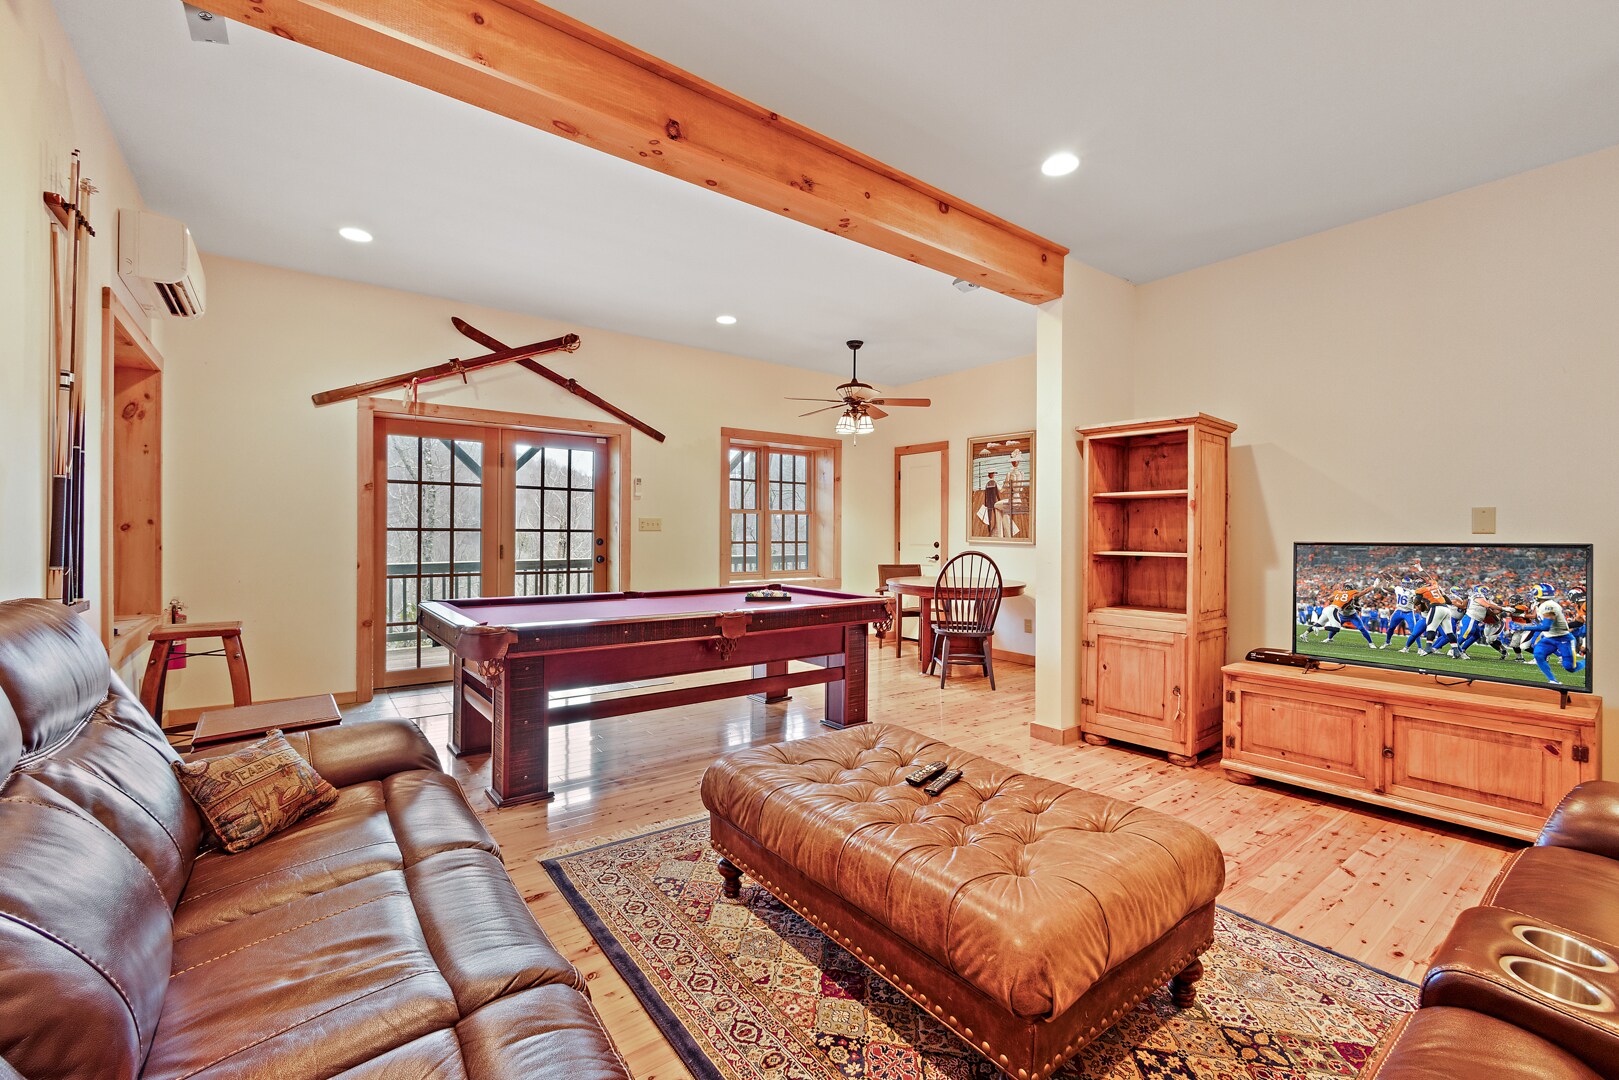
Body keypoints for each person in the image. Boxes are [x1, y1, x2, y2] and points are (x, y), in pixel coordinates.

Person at [981, 471, 1000, 536]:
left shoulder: (987, 484)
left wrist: (985, 502)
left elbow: (986, 494)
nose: (992, 475)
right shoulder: (994, 483)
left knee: (989, 517)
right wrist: (999, 499)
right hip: (993, 502)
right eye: (992, 474)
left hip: (989, 502)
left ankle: (990, 530)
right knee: (995, 515)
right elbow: (997, 493)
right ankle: (995, 528)